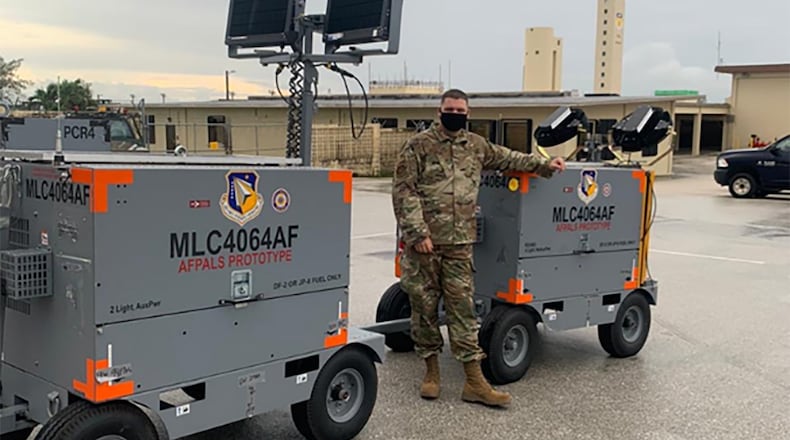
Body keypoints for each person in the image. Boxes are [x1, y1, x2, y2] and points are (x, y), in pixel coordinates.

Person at [391, 89, 566, 408]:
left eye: (460, 109)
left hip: (460, 244)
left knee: (463, 310)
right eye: (450, 109)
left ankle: (474, 381)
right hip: (425, 247)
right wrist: (417, 233)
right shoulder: (418, 145)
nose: (455, 113)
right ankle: (431, 372)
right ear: (439, 111)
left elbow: (510, 157)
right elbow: (404, 191)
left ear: (467, 113)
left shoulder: (475, 146)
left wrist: (544, 165)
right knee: (425, 308)